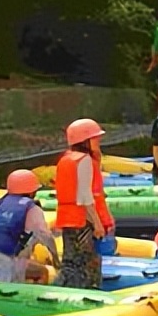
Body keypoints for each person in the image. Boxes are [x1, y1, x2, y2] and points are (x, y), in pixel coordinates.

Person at [54, 118, 113, 289]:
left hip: (68, 220)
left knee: (71, 262)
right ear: (84, 141)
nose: (98, 141)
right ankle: (88, 294)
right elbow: (85, 196)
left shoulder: (67, 159)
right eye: (95, 139)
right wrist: (97, 223)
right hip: (83, 221)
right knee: (89, 264)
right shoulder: (84, 160)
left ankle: (61, 290)